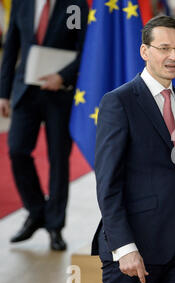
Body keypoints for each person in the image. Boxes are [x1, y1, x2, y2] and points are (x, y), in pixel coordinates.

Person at [91, 15, 175, 283]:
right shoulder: (119, 102)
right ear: (145, 51)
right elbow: (108, 183)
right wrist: (125, 246)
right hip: (136, 246)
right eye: (164, 48)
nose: (173, 56)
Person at [0, 0, 88, 250]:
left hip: (60, 94)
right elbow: (11, 46)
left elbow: (85, 49)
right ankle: (37, 211)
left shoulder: (75, 6)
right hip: (24, 90)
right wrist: (3, 93)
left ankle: (55, 226)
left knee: (58, 160)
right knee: (16, 151)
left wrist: (63, 76)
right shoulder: (21, 3)